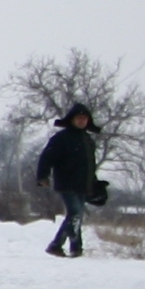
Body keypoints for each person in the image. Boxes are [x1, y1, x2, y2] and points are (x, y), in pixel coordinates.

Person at [35, 105, 100, 257]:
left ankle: (75, 247)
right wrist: (43, 176)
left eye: (84, 118)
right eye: (79, 118)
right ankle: (57, 245)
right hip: (66, 183)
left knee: (77, 215)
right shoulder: (62, 138)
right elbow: (47, 157)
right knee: (75, 213)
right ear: (72, 120)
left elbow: (90, 165)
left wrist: (95, 183)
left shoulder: (88, 140)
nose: (82, 121)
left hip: (83, 184)